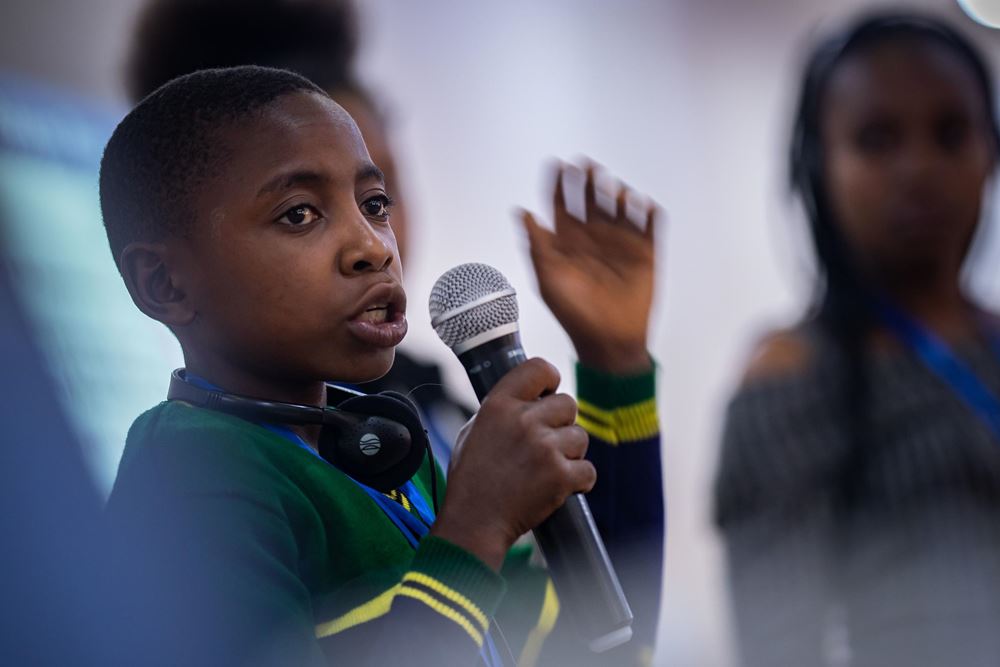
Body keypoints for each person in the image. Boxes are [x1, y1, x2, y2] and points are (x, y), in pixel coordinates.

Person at [122, 2, 665, 664]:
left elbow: (593, 645)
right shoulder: (193, 471)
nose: (372, 245)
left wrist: (617, 369)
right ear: (165, 284)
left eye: (375, 203)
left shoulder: (387, 452)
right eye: (299, 214)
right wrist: (471, 532)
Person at [714, 12, 1000, 667]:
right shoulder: (789, 373)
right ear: (818, 168)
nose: (920, 168)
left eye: (951, 134)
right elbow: (776, 648)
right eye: (877, 139)